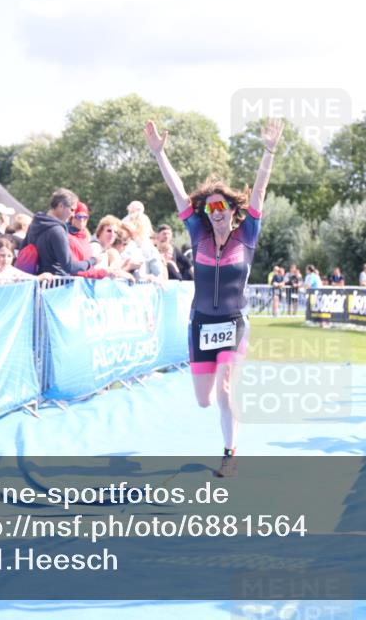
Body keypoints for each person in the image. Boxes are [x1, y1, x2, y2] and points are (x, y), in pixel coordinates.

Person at [145, 116, 283, 478]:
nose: (216, 212)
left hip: (234, 323)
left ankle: (229, 454)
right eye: (211, 208)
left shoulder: (247, 236)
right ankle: (227, 430)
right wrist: (160, 155)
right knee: (204, 400)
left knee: (224, 390)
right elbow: (178, 193)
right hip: (201, 324)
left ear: (233, 212)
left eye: (222, 207)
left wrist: (268, 151)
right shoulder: (199, 237)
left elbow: (260, 192)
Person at [19, 188, 97, 276]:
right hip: (57, 285)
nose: (72, 214)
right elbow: (70, 266)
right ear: (61, 206)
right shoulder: (57, 231)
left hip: (36, 282)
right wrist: (92, 261)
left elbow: (22, 250)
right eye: (72, 210)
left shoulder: (35, 223)